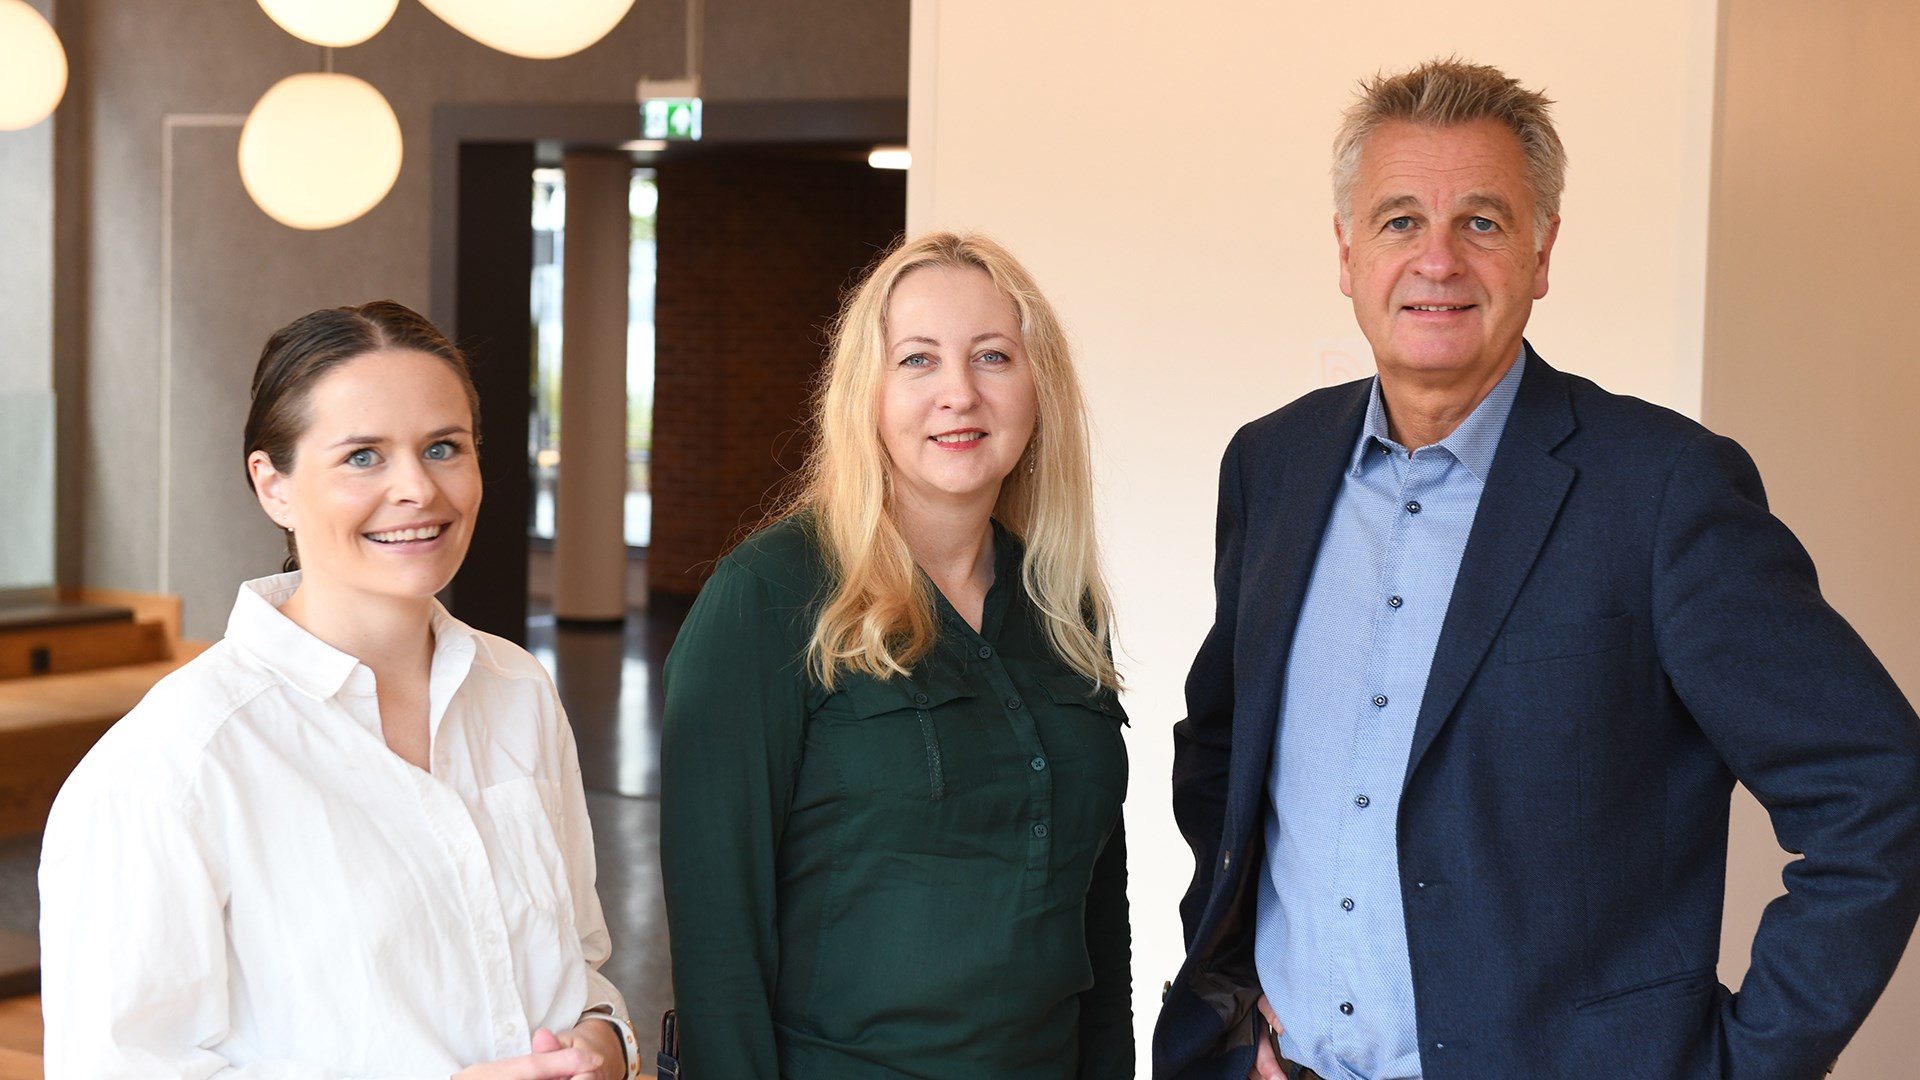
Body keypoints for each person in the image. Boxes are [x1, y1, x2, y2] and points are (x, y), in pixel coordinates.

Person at [1153, 59, 1920, 1080]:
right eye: (1396, 222)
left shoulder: (1662, 493)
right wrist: (1238, 1007)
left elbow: (1876, 788)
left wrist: (1738, 1067)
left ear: (1542, 250)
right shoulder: (1273, 467)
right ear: (1345, 253)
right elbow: (1224, 761)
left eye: (1481, 221)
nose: (1437, 260)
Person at [38, 301, 640, 1080]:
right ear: (274, 485)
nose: (418, 490)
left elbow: (579, 962)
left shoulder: (516, 688)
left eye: (443, 447)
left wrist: (606, 1042)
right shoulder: (171, 766)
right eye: (363, 456)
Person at [659, 231, 1132, 1078]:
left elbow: (1100, 913)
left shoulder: (1064, 605)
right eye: (918, 361)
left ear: (1039, 388)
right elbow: (717, 942)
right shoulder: (769, 596)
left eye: (993, 356)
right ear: (865, 394)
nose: (959, 393)